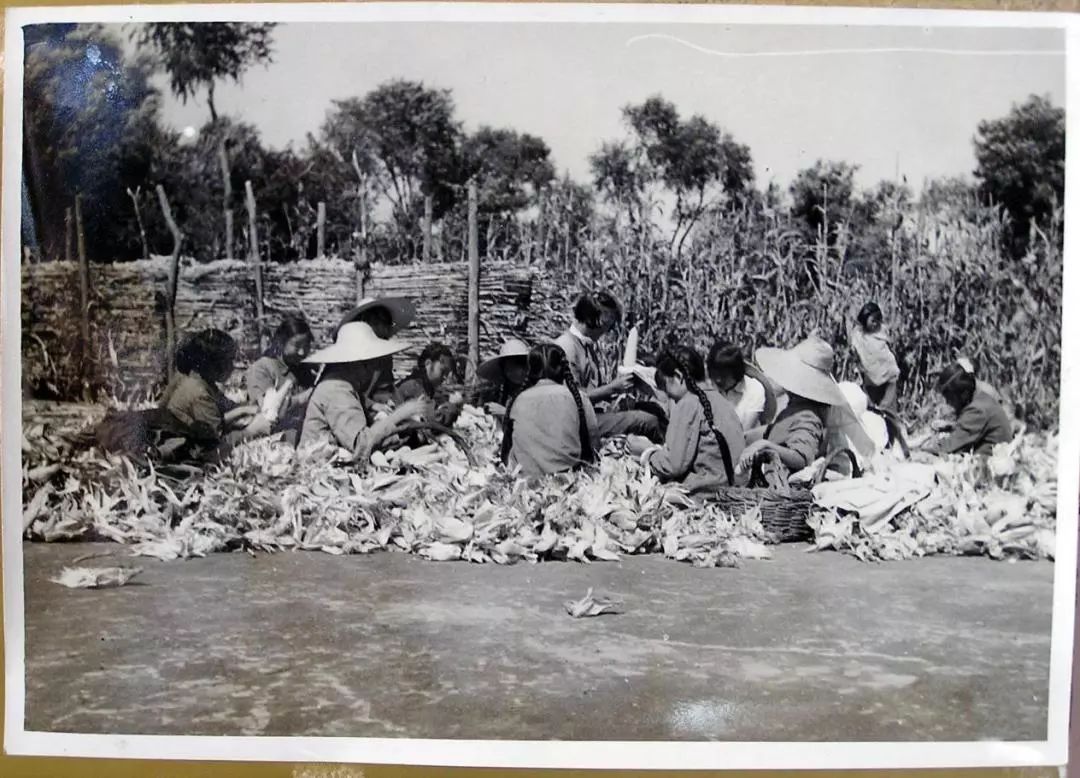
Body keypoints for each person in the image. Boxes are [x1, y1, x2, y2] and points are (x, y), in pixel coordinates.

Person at [739, 336, 863, 481]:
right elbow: (781, 430)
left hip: (782, 487)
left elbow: (801, 458)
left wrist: (766, 446)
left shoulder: (807, 415)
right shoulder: (798, 406)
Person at [299, 321, 429, 457]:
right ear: (358, 363)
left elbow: (365, 436)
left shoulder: (346, 386)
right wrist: (399, 415)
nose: (372, 371)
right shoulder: (337, 390)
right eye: (370, 364)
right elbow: (360, 445)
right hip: (317, 468)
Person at [626, 345, 745, 492]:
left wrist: (647, 452)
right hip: (733, 488)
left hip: (707, 493)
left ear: (678, 376)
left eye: (669, 393)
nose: (672, 400)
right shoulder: (720, 400)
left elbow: (673, 466)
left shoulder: (689, 402)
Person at [553, 292, 662, 442]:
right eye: (607, 325)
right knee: (647, 421)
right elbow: (573, 399)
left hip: (589, 415)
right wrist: (612, 388)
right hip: (575, 423)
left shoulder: (586, 345)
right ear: (594, 320)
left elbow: (592, 390)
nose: (607, 331)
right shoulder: (567, 347)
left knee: (654, 410)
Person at [161, 328, 271, 454]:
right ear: (213, 364)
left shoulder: (196, 378)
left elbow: (217, 416)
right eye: (229, 360)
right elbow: (215, 446)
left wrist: (243, 409)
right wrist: (251, 431)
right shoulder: (199, 393)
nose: (234, 365)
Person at [502, 342, 598, 478]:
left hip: (527, 485)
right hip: (570, 483)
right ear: (563, 369)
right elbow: (595, 447)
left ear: (531, 370)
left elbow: (506, 454)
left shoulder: (517, 400)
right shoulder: (578, 398)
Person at [245, 314, 316, 445]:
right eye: (297, 345)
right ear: (280, 342)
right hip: (270, 442)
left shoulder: (304, 368)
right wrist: (304, 397)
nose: (302, 352)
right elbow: (268, 412)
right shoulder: (263, 368)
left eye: (306, 346)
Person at [334, 297, 416, 406]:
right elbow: (341, 393)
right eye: (376, 321)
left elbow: (385, 386)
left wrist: (396, 404)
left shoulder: (384, 355)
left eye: (384, 321)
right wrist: (372, 405)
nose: (383, 327)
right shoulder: (347, 354)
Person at [921, 362, 1013, 456]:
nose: (948, 402)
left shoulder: (977, 409)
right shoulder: (980, 398)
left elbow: (948, 447)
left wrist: (922, 444)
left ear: (964, 394)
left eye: (950, 398)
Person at [705, 340, 775, 431]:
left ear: (736, 373)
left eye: (724, 376)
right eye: (714, 375)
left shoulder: (754, 390)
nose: (718, 380)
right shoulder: (708, 385)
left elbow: (744, 432)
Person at [394, 342, 465, 429]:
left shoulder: (426, 385)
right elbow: (432, 421)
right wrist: (452, 405)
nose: (445, 377)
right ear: (428, 364)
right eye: (443, 371)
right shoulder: (413, 386)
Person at [849, 301, 900, 412]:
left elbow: (887, 354)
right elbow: (856, 355)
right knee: (870, 411)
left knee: (888, 412)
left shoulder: (882, 332)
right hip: (869, 378)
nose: (875, 324)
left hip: (888, 376)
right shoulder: (858, 336)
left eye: (878, 320)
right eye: (872, 321)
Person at [477, 338, 530, 420]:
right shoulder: (506, 391)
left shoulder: (535, 390)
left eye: (519, 365)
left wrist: (505, 412)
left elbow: (536, 421)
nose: (511, 371)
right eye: (509, 368)